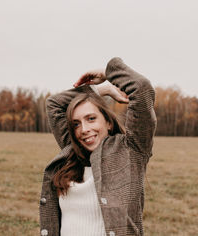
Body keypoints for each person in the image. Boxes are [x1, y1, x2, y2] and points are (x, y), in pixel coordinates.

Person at [39, 57, 157, 236]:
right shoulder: (72, 149)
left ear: (109, 122)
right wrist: (101, 90)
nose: (84, 130)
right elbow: (53, 104)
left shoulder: (131, 150)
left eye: (91, 119)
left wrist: (107, 74)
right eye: (76, 123)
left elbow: (141, 89)